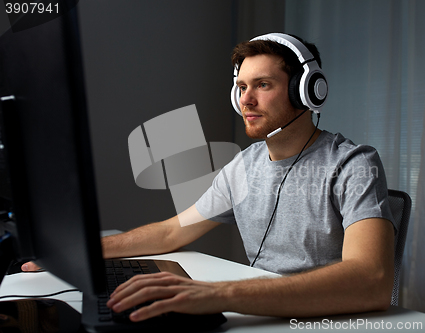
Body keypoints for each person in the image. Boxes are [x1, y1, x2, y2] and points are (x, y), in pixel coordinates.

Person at [23, 33, 397, 322]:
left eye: (263, 85)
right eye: (242, 87)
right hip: (262, 312)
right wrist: (82, 251)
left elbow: (372, 280)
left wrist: (218, 294)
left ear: (307, 90)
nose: (245, 100)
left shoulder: (353, 164)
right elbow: (172, 232)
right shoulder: (243, 166)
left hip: (328, 320)